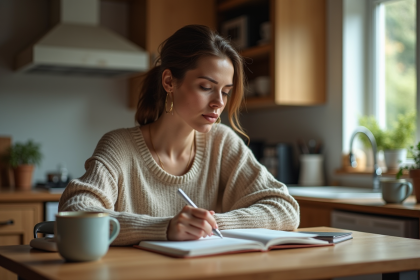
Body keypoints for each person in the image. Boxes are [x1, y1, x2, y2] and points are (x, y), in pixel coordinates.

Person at [58, 25, 299, 245]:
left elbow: (285, 208)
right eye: (206, 87)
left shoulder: (222, 142)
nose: (218, 103)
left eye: (225, 92)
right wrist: (165, 227)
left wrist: (206, 225)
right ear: (169, 82)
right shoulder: (120, 146)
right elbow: (76, 210)